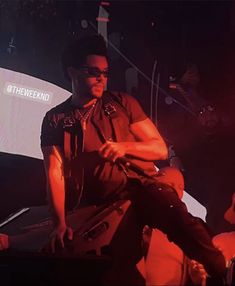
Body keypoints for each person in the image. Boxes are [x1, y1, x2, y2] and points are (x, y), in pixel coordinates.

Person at [40, 34, 226, 281]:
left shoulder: (121, 103)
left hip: (140, 187)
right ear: (72, 72)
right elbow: (55, 170)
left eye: (105, 73)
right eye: (93, 71)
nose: (101, 78)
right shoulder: (55, 119)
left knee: (181, 222)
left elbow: (158, 148)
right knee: (120, 268)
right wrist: (59, 223)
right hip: (101, 206)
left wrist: (124, 147)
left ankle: (221, 270)